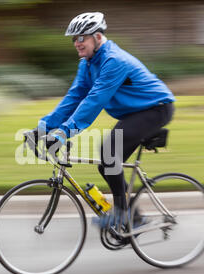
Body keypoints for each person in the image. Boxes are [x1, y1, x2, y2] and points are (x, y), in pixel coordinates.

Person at [29, 12, 175, 229]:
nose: (76, 43)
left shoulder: (114, 60)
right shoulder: (87, 63)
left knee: (109, 153)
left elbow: (94, 101)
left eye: (81, 38)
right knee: (107, 164)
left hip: (155, 108)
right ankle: (132, 217)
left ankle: (124, 214)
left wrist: (63, 133)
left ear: (97, 37)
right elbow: (74, 98)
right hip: (133, 112)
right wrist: (43, 128)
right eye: (74, 39)